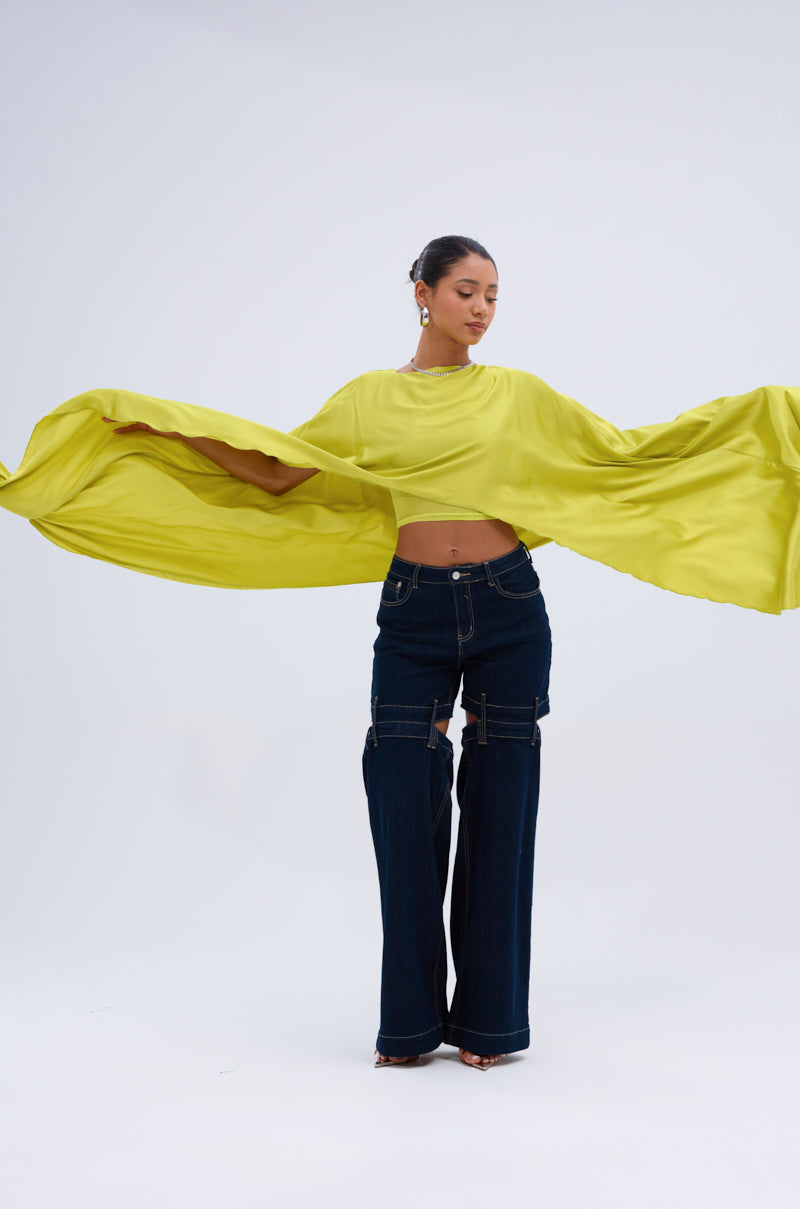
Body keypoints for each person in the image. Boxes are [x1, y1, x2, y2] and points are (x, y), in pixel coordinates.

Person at [2, 235, 798, 1071]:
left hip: (509, 606)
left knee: (501, 807)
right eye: (466, 290)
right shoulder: (368, 400)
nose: (483, 308)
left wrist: (770, 417)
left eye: (494, 294)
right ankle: (410, 1027)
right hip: (413, 612)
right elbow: (277, 472)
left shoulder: (519, 395)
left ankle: (488, 1026)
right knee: (402, 797)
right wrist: (161, 431)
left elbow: (627, 455)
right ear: (421, 293)